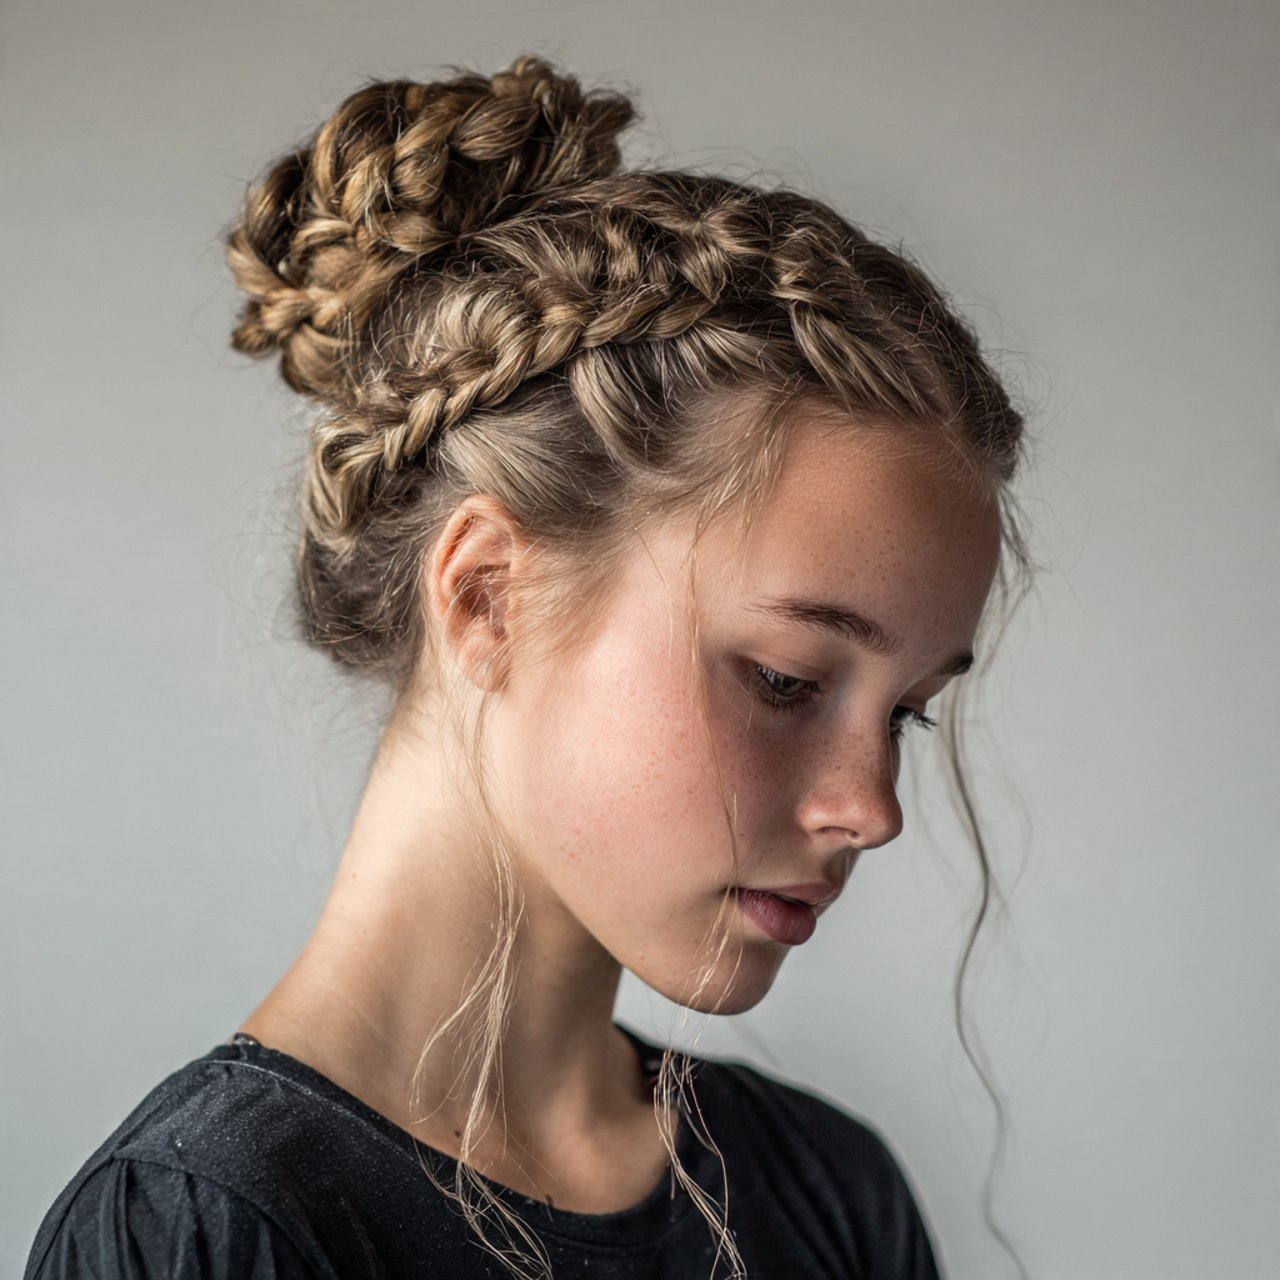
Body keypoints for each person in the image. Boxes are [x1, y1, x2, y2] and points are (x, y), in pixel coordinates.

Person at [24, 54, 1028, 1280]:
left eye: (910, 715)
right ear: (486, 594)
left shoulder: (828, 1195)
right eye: (785, 678)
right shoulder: (212, 1232)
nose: (869, 809)